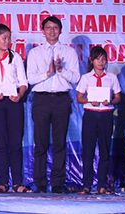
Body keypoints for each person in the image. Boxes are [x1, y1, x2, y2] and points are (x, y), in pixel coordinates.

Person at [26, 16, 80, 194]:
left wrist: (61, 70)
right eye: (48, 27)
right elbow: (31, 79)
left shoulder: (69, 52)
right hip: (41, 99)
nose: (52, 30)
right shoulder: (35, 53)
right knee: (40, 144)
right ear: (42, 31)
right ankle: (40, 183)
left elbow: (76, 78)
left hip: (61, 99)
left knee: (59, 143)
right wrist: (48, 73)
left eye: (55, 27)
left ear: (61, 30)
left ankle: (57, 182)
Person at [0, 24, 29, 193]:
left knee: (16, 143)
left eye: (9, 37)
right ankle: (2, 182)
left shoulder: (15, 57)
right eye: (4, 38)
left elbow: (23, 82)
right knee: (1, 143)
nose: (7, 41)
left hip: (14, 101)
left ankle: (17, 183)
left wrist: (20, 94)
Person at [76, 46, 121, 195]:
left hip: (106, 115)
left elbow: (118, 97)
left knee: (104, 151)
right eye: (97, 59)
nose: (101, 62)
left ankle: (102, 185)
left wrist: (111, 101)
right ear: (91, 60)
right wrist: (90, 100)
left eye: (103, 59)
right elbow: (79, 98)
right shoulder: (86, 78)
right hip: (90, 114)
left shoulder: (112, 77)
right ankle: (86, 185)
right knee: (88, 151)